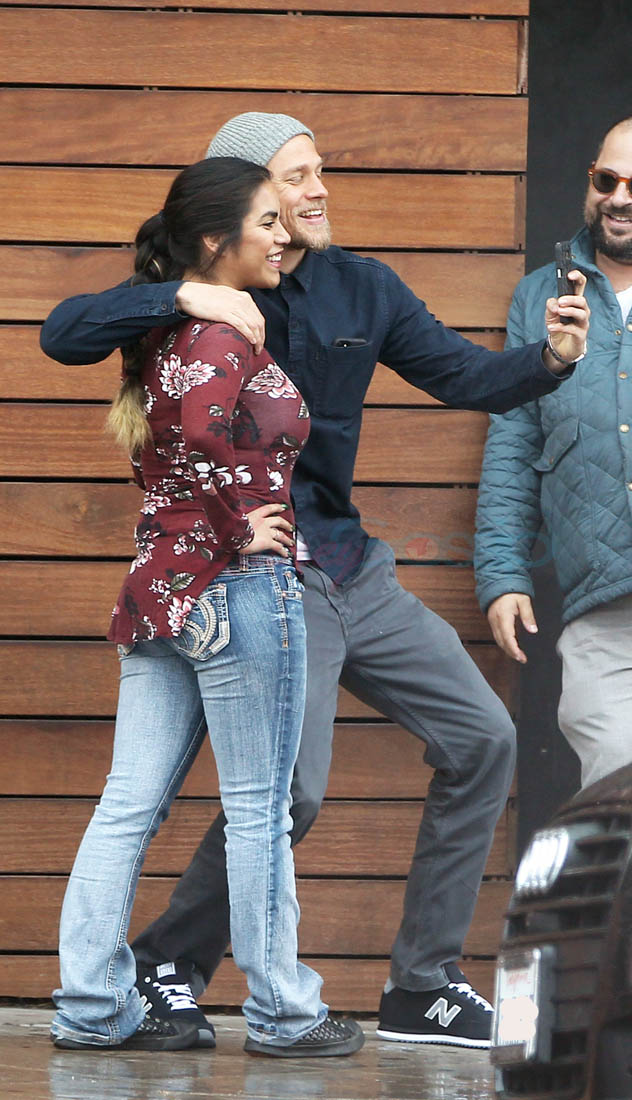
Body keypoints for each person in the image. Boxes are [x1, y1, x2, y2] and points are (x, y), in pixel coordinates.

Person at [41, 111, 589, 1050]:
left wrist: (550, 360)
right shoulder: (200, 300)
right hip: (260, 580)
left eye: (318, 169)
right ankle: (172, 966)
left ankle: (423, 983)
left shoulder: (360, 287)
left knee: (483, 737)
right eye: (294, 178)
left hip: (350, 567)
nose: (318, 189)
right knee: (283, 796)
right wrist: (188, 294)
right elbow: (66, 334)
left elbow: (463, 377)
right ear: (249, 202)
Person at [50, 156, 363, 1058]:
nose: (282, 235)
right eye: (266, 221)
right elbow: (198, 435)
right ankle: (284, 1014)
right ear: (216, 240)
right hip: (236, 590)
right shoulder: (220, 334)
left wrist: (206, 527)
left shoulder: (166, 332)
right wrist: (236, 526)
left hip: (161, 590)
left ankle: (90, 1005)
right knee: (260, 810)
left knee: (127, 806)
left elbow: (173, 445)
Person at [475, 112, 632, 790]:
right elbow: (514, 438)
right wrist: (502, 574)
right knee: (615, 808)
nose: (619, 198)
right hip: (602, 595)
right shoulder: (540, 293)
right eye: (605, 180)